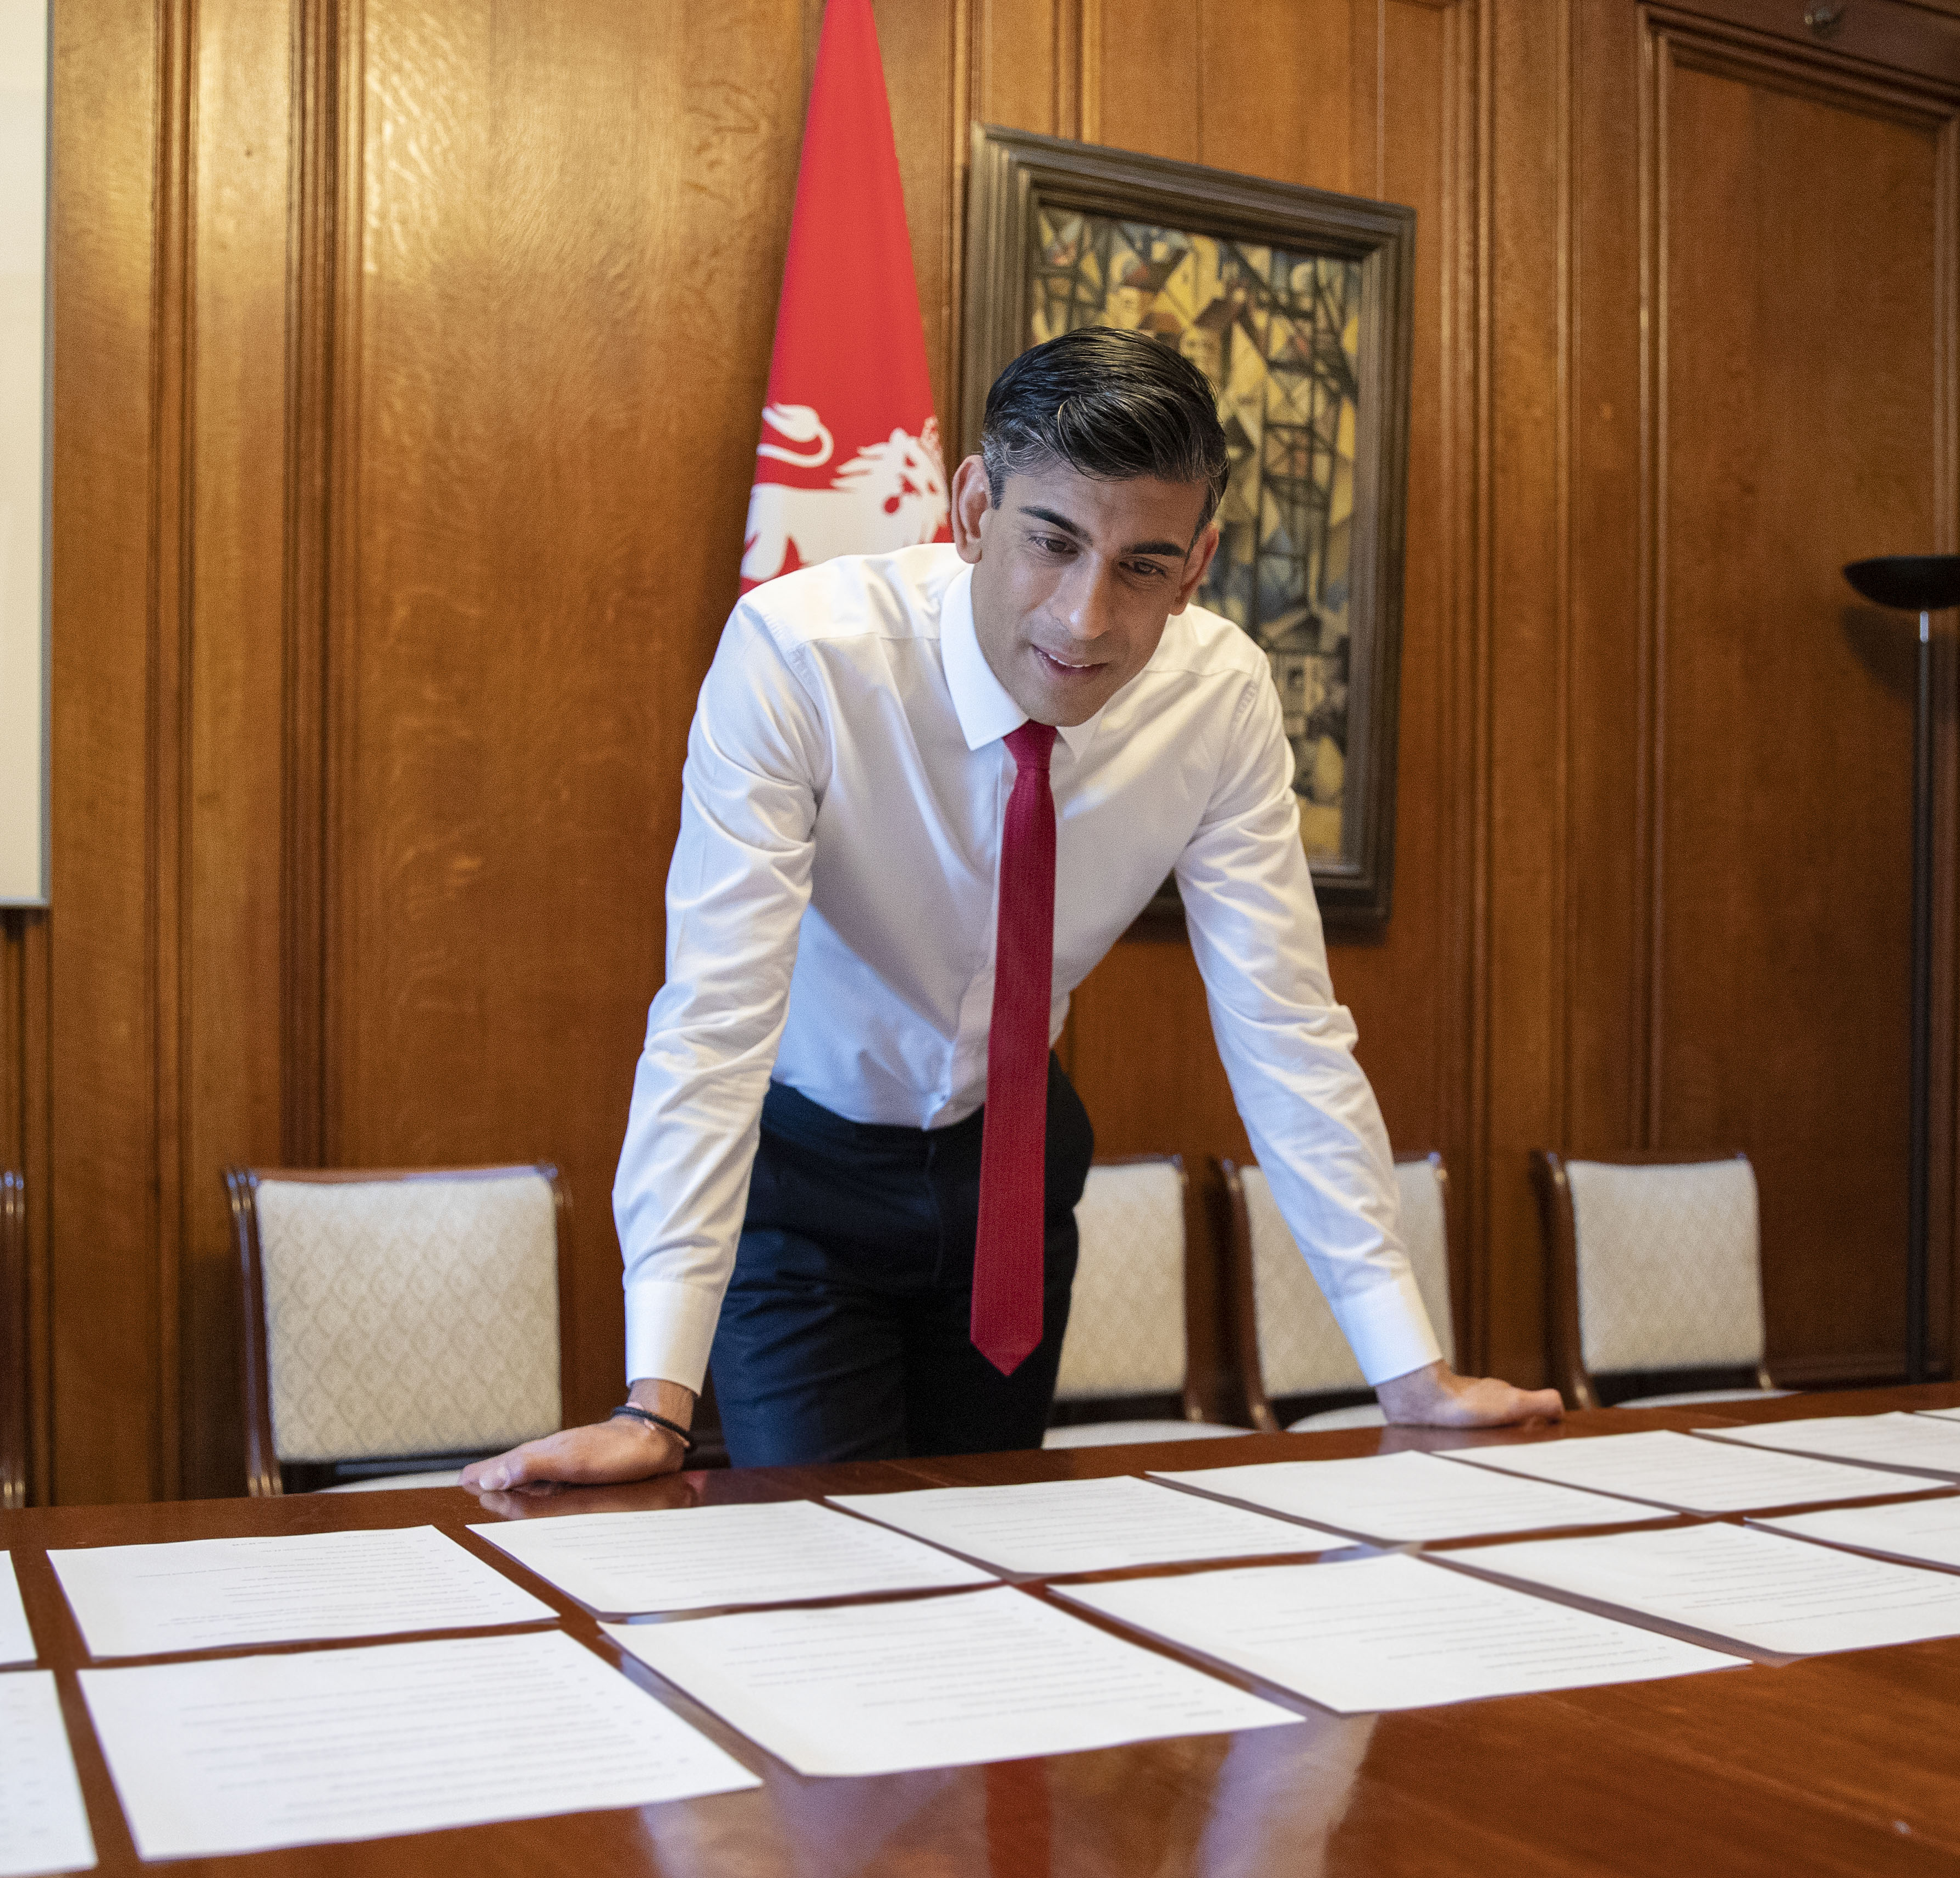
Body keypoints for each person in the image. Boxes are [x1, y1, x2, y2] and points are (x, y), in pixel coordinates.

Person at [470, 327, 1553, 1488]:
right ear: (975, 510)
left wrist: (1407, 1370)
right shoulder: (801, 658)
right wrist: (656, 1408)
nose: (1085, 618)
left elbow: (1285, 1028)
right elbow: (714, 1017)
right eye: (1052, 542)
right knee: (823, 1571)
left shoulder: (1221, 698)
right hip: (802, 1179)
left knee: (987, 1559)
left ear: (1196, 567)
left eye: (1142, 565)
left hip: (1014, 1177)